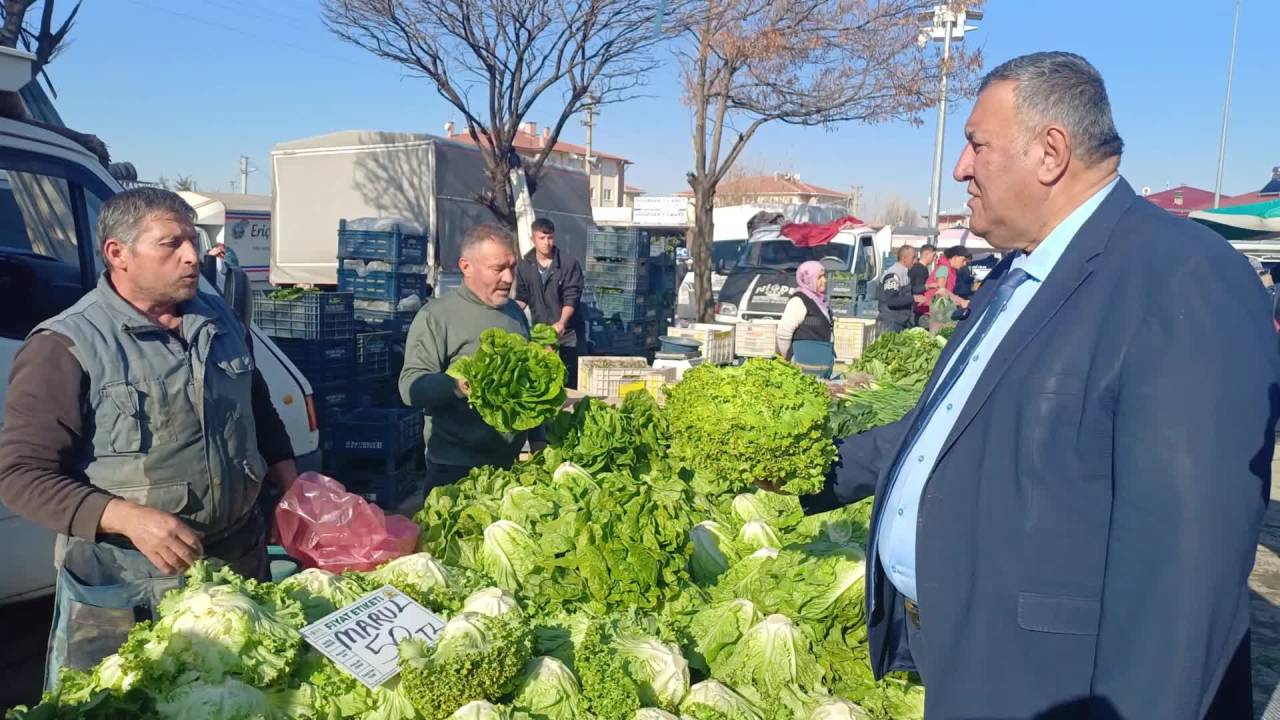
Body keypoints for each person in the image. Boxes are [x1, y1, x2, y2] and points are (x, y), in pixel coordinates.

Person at [801, 52, 1277, 718]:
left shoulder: (1182, 280)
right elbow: (937, 433)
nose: (961, 168)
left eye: (976, 144)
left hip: (1057, 687)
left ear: (1050, 152)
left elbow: (1184, 585)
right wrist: (798, 471)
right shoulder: (1016, 273)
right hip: (971, 660)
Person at [0, 188, 298, 688]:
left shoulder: (218, 317)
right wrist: (127, 518)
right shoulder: (65, 344)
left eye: (193, 241)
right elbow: (19, 475)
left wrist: (293, 485)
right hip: (127, 585)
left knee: (245, 697)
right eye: (171, 243)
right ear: (117, 253)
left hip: (236, 563)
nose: (192, 256)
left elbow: (257, 404)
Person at [400, 223, 532, 491]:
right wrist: (460, 383)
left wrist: (539, 438)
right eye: (498, 269)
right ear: (466, 267)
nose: (508, 278)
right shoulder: (436, 317)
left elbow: (529, 385)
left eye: (512, 267)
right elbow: (410, 387)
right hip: (453, 469)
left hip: (506, 466)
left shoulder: (516, 315)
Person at [515, 218, 584, 389]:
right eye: (542, 238)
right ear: (533, 239)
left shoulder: (568, 264)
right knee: (543, 380)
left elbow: (571, 297)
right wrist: (510, 315)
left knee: (568, 381)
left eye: (550, 238)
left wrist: (561, 322)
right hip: (541, 334)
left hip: (568, 334)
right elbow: (522, 297)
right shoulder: (524, 266)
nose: (547, 242)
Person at [775, 261, 833, 374]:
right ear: (808, 279)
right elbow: (783, 332)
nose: (824, 280)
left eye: (824, 276)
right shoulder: (798, 301)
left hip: (821, 366)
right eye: (820, 277)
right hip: (803, 366)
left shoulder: (820, 301)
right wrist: (785, 357)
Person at [876, 245, 917, 333]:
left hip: (900, 321)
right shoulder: (893, 275)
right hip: (890, 323)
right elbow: (891, 301)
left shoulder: (904, 273)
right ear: (904, 258)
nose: (915, 261)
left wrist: (926, 287)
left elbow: (905, 292)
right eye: (913, 257)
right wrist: (913, 298)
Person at [909, 243, 936, 325]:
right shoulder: (920, 270)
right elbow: (917, 288)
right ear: (927, 254)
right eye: (934, 255)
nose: (934, 258)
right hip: (917, 309)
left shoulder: (919, 268)